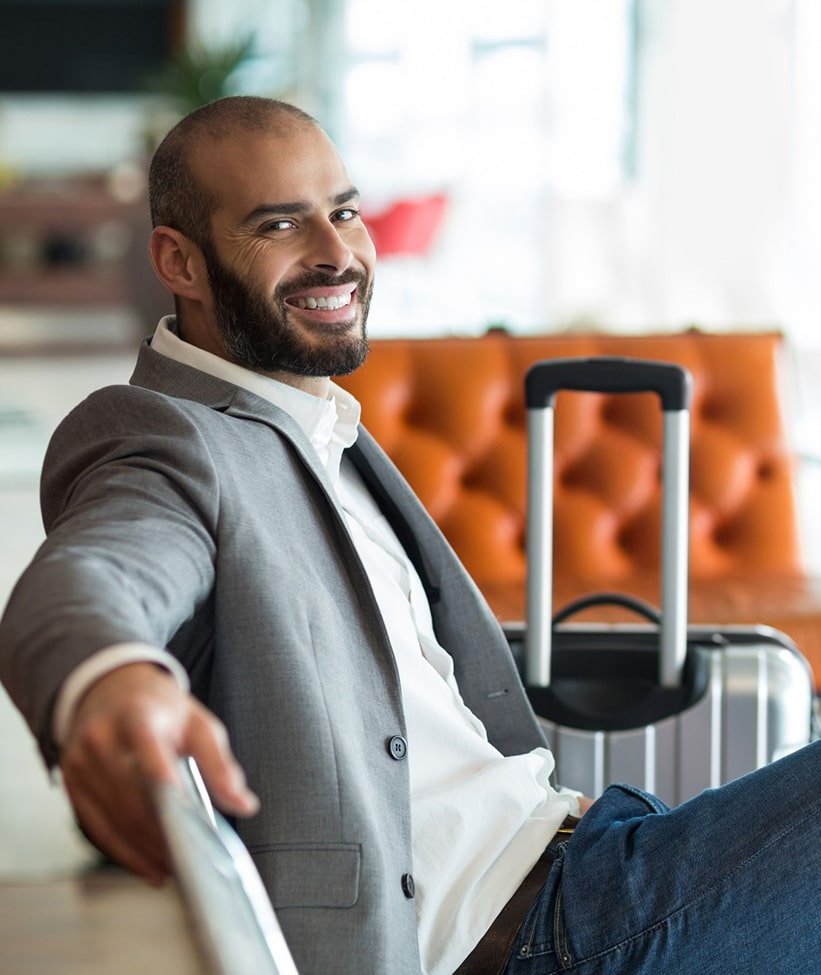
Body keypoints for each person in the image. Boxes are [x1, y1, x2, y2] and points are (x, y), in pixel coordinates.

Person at [0, 96, 817, 975]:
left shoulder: (324, 432)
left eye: (343, 210)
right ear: (179, 262)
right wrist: (108, 679)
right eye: (280, 223)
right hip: (544, 933)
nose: (336, 252)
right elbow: (94, 573)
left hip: (599, 849)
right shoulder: (165, 438)